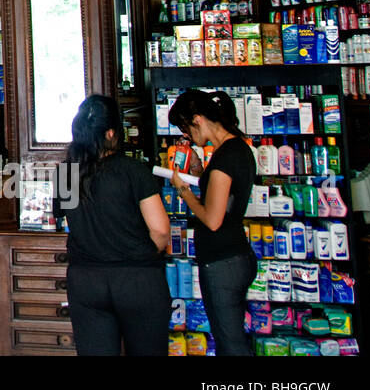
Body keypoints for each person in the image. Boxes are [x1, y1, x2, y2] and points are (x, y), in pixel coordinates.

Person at [57, 95, 171, 355]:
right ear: (111, 133)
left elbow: (68, 220)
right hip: (136, 279)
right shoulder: (134, 170)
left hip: (86, 281)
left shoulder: (65, 174)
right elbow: (161, 230)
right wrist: (138, 256)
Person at [168, 89, 257, 356]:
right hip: (233, 256)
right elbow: (225, 200)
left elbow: (213, 218)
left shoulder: (225, 157)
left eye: (185, 127)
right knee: (232, 336)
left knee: (230, 343)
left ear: (197, 119)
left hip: (223, 263)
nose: (187, 135)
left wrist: (182, 191)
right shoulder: (235, 149)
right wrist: (197, 171)